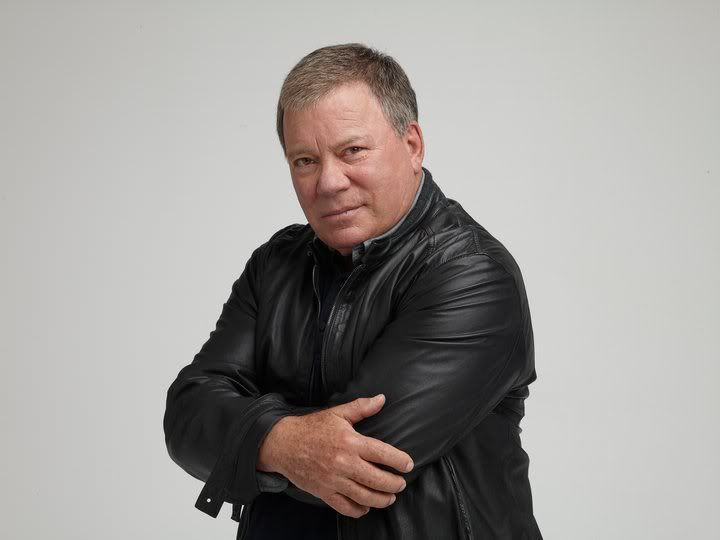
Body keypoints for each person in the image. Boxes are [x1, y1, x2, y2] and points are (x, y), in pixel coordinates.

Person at [164, 42, 543, 539]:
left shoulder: (473, 274)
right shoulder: (274, 264)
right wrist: (283, 442)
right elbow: (187, 414)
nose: (329, 182)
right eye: (304, 160)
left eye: (352, 151)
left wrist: (248, 436)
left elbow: (360, 455)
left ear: (412, 145)